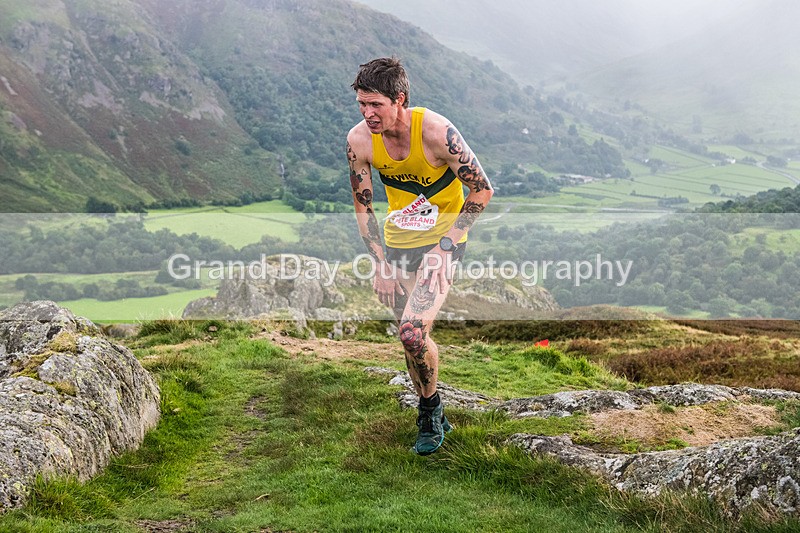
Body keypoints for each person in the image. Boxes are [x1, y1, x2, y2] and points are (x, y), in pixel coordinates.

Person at [346, 57, 493, 455]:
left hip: (442, 242)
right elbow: (363, 206)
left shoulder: (437, 133)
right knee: (410, 340)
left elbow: (482, 190)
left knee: (412, 331)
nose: (367, 113)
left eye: (375, 104)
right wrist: (381, 263)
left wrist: (446, 249)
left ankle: (429, 412)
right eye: (362, 104)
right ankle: (432, 408)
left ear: (400, 99)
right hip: (397, 244)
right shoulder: (359, 140)